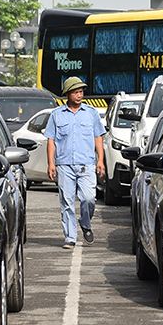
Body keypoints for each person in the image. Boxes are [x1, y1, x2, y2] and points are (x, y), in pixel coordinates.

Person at [45, 76, 106, 248]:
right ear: (67, 94)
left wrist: (100, 160)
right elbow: (51, 140)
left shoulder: (91, 113)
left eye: (81, 92)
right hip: (64, 165)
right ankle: (70, 237)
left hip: (87, 164)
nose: (79, 95)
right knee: (67, 201)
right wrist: (51, 163)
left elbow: (98, 137)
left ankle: (85, 223)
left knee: (89, 198)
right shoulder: (56, 115)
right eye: (75, 92)